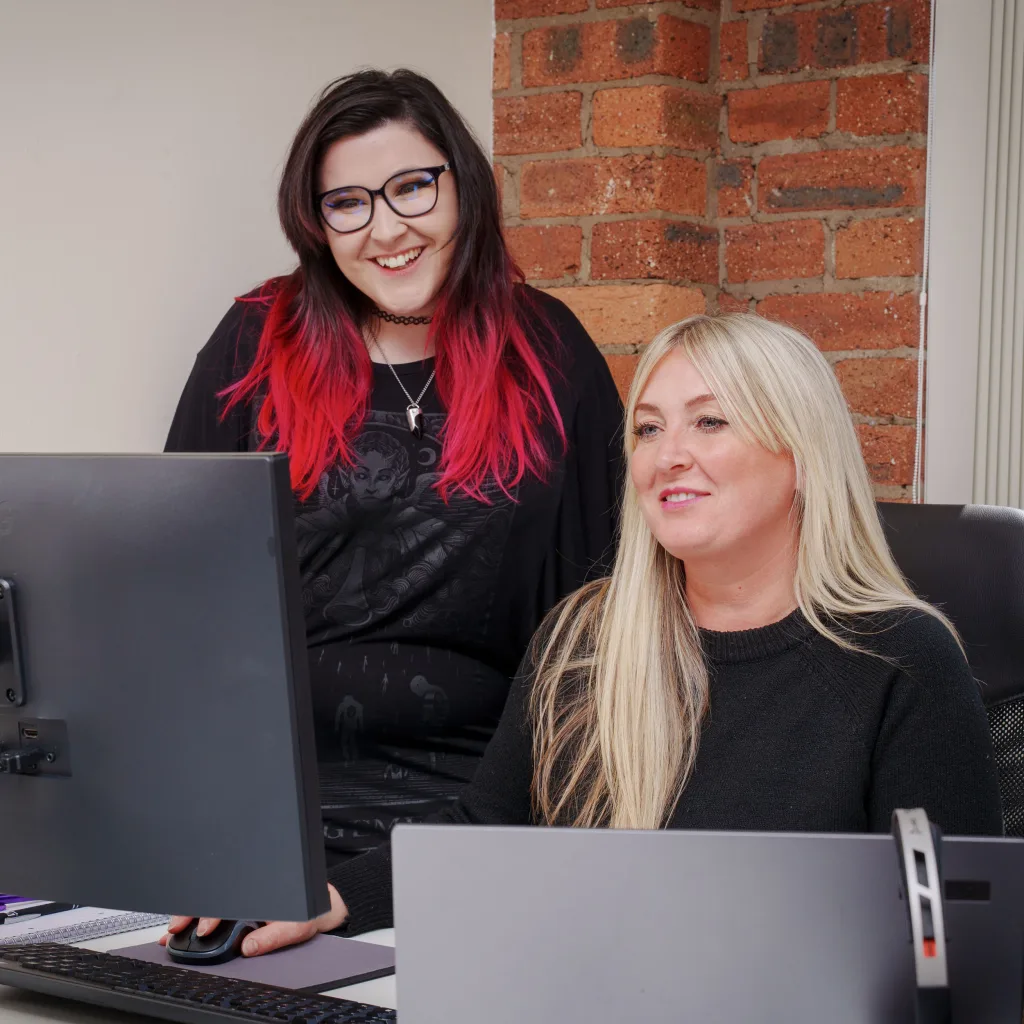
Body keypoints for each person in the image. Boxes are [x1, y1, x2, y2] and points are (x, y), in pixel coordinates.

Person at [284, 310, 1000, 942]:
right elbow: (486, 829)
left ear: (803, 457)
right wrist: (328, 900)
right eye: (649, 428)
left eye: (710, 421)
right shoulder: (583, 637)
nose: (667, 455)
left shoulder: (900, 658)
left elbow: (946, 939)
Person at [160, 69, 623, 953]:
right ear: (316, 223)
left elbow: (603, 631)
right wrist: (200, 835)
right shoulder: (253, 342)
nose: (385, 229)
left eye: (412, 187)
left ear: (464, 186)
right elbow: (175, 599)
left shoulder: (550, 352)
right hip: (261, 822)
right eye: (347, 203)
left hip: (478, 821)